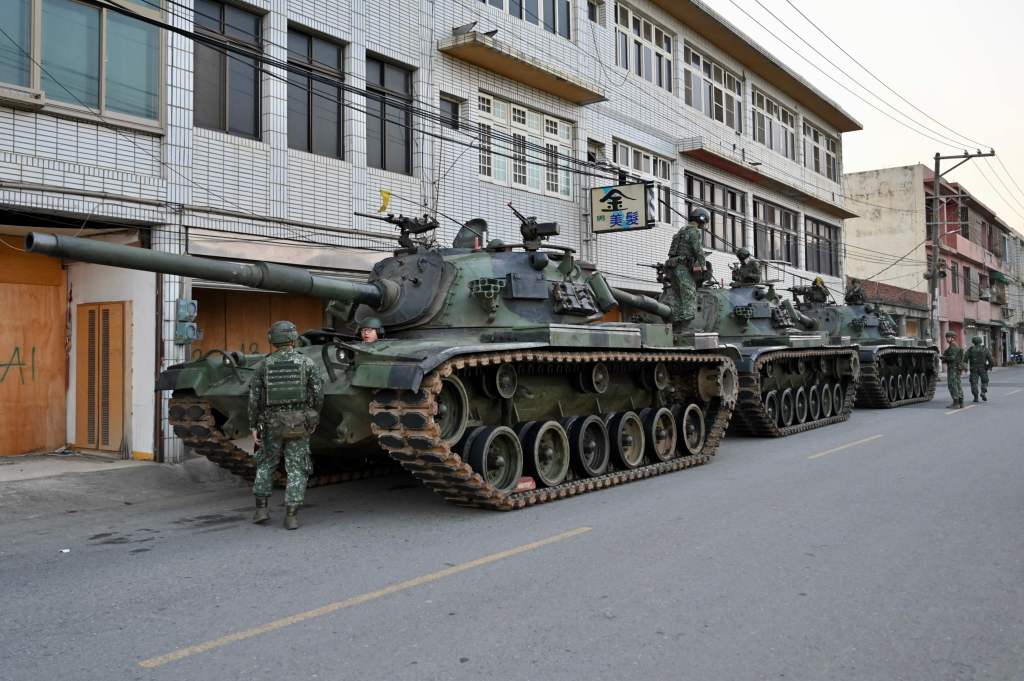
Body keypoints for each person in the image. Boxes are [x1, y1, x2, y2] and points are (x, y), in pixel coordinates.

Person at [248, 321, 325, 530]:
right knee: (297, 467)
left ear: (272, 340)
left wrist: (254, 426)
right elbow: (318, 395)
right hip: (298, 423)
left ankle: (261, 510)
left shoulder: (263, 365)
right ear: (294, 338)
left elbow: (254, 399)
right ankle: (291, 516)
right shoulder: (307, 363)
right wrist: (313, 417)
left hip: (270, 422)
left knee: (266, 464)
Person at [664, 207, 708, 333]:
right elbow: (698, 250)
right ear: (701, 219)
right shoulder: (694, 231)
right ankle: (686, 327)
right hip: (682, 267)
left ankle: (677, 326)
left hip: (672, 267)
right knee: (689, 294)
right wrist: (702, 266)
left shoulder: (680, 232)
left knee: (678, 297)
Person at [965, 336, 994, 402]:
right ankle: (983, 392)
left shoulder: (971, 349)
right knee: (985, 381)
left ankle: (976, 397)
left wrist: (965, 368)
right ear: (980, 341)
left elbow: (965, 359)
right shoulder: (985, 349)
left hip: (973, 369)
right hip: (983, 368)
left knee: (974, 383)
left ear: (973, 342)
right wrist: (990, 366)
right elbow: (991, 360)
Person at [940, 330, 964, 409]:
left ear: (953, 338)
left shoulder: (953, 347)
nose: (947, 339)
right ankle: (960, 402)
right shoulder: (953, 346)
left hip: (953, 368)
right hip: (955, 368)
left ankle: (956, 403)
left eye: (948, 337)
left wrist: (943, 357)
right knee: (957, 384)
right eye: (946, 337)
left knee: (953, 385)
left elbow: (952, 358)